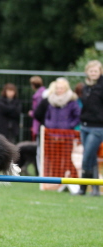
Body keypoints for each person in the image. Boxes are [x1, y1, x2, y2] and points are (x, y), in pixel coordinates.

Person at [34, 78, 80, 179]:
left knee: (67, 158)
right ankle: (55, 179)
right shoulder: (51, 100)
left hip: (67, 135)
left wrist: (70, 125)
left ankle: (74, 179)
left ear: (66, 89)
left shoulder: (72, 101)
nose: (59, 90)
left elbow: (78, 116)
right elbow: (47, 116)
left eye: (61, 88)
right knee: (54, 158)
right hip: (52, 135)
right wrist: (49, 124)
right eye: (58, 88)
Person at [77, 60, 103, 196]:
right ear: (87, 72)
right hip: (84, 126)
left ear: (100, 72)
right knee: (91, 157)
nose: (93, 73)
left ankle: (82, 188)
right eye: (91, 71)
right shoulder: (85, 87)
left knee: (86, 157)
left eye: (96, 71)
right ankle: (95, 189)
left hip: (98, 127)